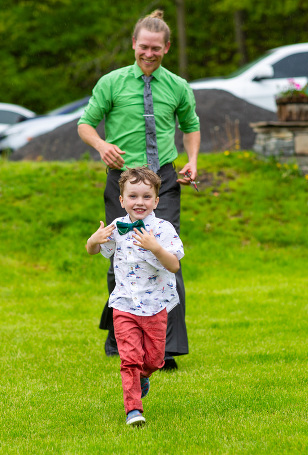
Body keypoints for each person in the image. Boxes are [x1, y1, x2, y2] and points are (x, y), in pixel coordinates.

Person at [78, 9, 200, 370]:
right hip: (123, 182)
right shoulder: (112, 82)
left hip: (164, 181)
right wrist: (101, 146)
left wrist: (192, 160)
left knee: (165, 257)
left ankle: (165, 350)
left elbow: (191, 126)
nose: (149, 53)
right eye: (143, 47)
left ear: (166, 48)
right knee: (121, 258)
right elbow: (85, 124)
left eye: (156, 49)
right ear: (134, 45)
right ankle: (121, 333)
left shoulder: (178, 86)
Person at [86, 166, 185, 426]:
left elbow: (174, 265)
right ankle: (133, 410)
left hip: (155, 306)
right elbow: (93, 250)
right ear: (121, 200)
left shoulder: (163, 229)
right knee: (129, 359)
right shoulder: (116, 228)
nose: (139, 202)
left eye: (146, 197)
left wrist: (156, 248)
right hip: (124, 304)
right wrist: (93, 240)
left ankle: (143, 377)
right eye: (132, 196)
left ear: (156, 200)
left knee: (154, 359)